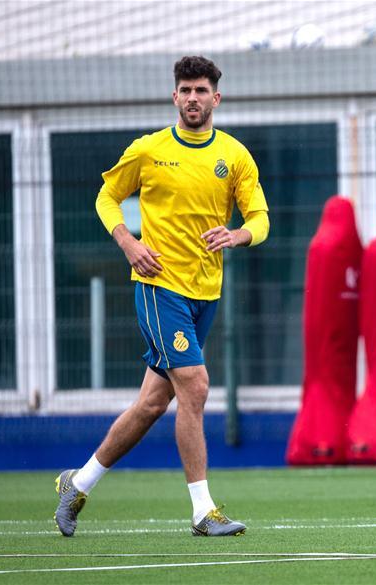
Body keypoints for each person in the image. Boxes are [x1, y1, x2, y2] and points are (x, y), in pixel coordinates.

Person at [54, 56, 269, 537]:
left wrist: (238, 235)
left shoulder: (234, 156)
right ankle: (203, 511)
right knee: (194, 384)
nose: (193, 98)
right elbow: (106, 196)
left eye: (201, 90)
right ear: (174, 97)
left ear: (217, 98)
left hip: (205, 293)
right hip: (158, 286)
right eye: (185, 90)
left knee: (153, 403)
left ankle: (78, 482)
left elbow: (260, 218)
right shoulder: (149, 150)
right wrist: (128, 243)